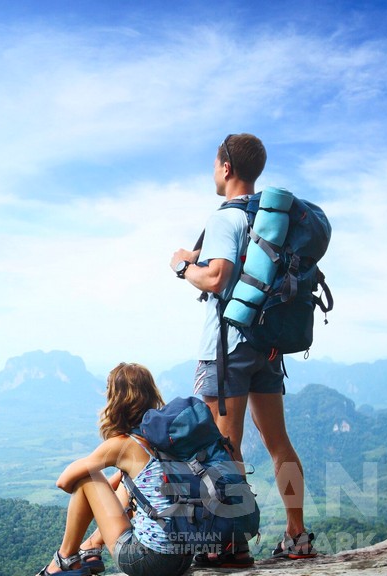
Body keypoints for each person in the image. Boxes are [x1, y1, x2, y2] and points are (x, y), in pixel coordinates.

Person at [169, 133, 317, 567]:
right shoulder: (270, 220)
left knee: (223, 446)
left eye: (215, 164)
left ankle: (230, 545)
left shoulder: (225, 219)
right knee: (279, 444)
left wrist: (182, 266)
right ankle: (297, 536)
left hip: (228, 347)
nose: (213, 171)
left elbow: (216, 278)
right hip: (269, 346)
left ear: (227, 167)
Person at [34, 362, 193, 576]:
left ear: (117, 400)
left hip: (148, 562)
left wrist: (90, 471)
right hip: (182, 559)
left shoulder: (124, 444)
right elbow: (118, 492)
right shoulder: (163, 440)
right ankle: (89, 548)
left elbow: (63, 481)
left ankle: (65, 560)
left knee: (87, 477)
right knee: (124, 482)